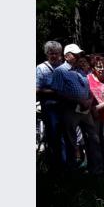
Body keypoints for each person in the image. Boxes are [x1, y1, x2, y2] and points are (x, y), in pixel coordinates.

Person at [51, 43, 103, 175]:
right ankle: (72, 171)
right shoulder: (60, 71)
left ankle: (96, 169)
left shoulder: (80, 70)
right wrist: (78, 101)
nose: (78, 56)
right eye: (75, 54)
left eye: (78, 54)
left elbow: (87, 88)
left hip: (85, 109)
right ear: (66, 56)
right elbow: (57, 92)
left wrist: (89, 100)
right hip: (70, 109)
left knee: (92, 138)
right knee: (71, 140)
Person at [36, 41, 66, 173]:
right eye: (51, 53)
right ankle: (56, 168)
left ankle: (67, 166)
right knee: (54, 137)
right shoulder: (41, 68)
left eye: (56, 53)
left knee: (66, 136)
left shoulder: (64, 67)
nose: (54, 56)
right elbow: (36, 89)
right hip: (50, 106)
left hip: (66, 105)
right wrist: (54, 91)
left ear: (60, 54)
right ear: (47, 54)